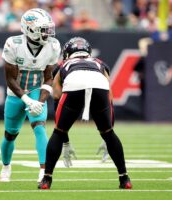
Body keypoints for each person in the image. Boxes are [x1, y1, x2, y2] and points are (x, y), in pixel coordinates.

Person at [38, 37, 132, 190]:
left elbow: (56, 95)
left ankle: (46, 179)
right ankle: (125, 179)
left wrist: (64, 137)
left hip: (74, 84)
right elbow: (110, 96)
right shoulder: (99, 63)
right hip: (99, 86)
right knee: (109, 133)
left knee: (58, 132)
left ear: (67, 52)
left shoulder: (64, 64)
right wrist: (108, 132)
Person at [0, 8, 61, 183]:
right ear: (30, 28)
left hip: (36, 90)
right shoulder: (13, 43)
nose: (48, 33)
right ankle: (6, 166)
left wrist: (40, 102)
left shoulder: (53, 45)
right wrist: (26, 100)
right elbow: (10, 79)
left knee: (40, 127)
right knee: (10, 134)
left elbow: (49, 78)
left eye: (49, 29)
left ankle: (44, 171)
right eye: (44, 29)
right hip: (15, 93)